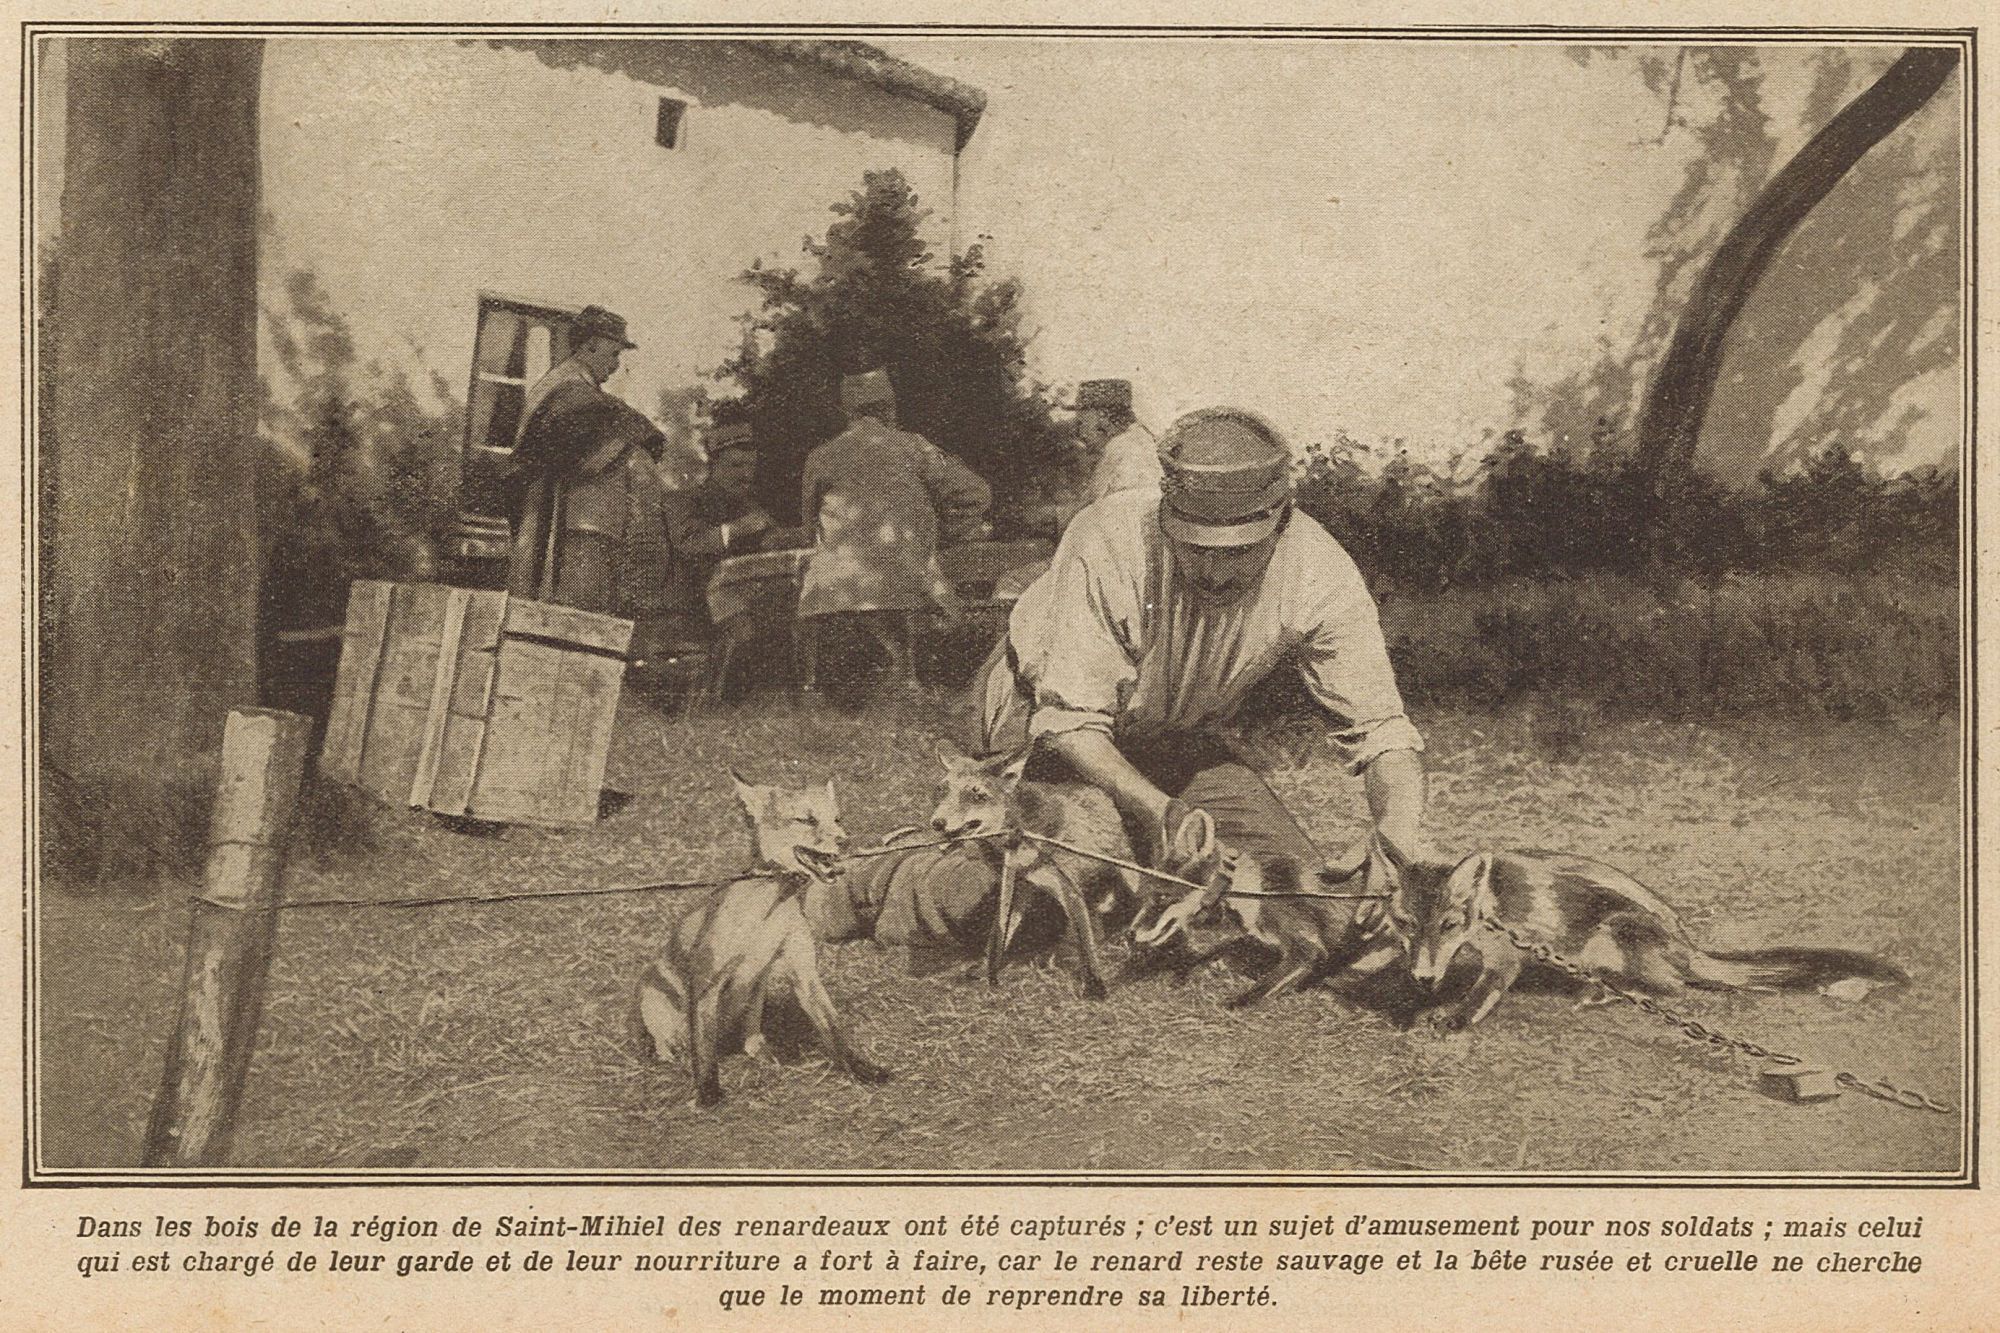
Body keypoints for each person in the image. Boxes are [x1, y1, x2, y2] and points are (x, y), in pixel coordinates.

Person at [974, 405, 1428, 935]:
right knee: (1046, 892)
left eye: (1239, 553)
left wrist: (1395, 832)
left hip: (1172, 734)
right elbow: (1071, 723)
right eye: (1195, 548)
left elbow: (1382, 731)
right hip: (1040, 725)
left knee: (1293, 891)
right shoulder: (1108, 537)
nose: (1214, 571)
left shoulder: (1319, 570)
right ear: (1167, 518)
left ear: (1281, 525)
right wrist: (1161, 811)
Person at [795, 368, 992, 684]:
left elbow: (809, 533)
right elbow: (977, 493)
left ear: (846, 412)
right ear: (890, 408)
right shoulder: (915, 447)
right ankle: (907, 679)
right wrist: (945, 533)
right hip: (907, 585)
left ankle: (811, 688)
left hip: (830, 596)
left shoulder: (821, 457)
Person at [506, 304, 649, 610]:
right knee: (543, 595)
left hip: (544, 500)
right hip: (543, 503)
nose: (614, 366)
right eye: (613, 355)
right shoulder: (568, 387)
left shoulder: (570, 384)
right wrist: (641, 434)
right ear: (589, 347)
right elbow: (596, 445)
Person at [653, 420, 778, 652]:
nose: (746, 474)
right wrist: (739, 528)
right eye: (736, 465)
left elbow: (768, 545)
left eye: (751, 466)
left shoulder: (748, 506)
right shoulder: (683, 501)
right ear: (714, 467)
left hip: (739, 614)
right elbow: (689, 543)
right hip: (688, 615)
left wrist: (786, 538)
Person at [1074, 378, 1160, 505]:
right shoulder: (1141, 439)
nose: (1079, 432)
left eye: (1081, 422)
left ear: (1102, 416)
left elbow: (1093, 508)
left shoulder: (1120, 447)